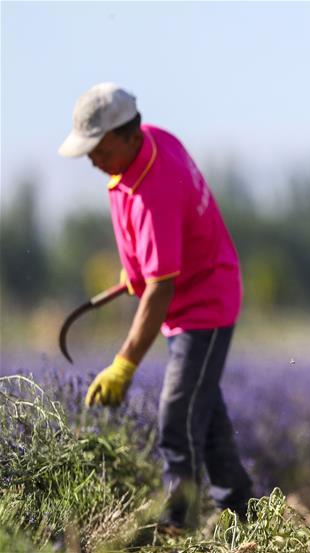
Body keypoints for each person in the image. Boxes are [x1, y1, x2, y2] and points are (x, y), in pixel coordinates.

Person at [59, 83, 253, 532]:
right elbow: (157, 245)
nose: (91, 159)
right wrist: (139, 266)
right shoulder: (148, 143)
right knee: (205, 420)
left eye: (97, 148)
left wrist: (124, 364)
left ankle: (176, 525)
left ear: (127, 135)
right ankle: (246, 514)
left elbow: (160, 290)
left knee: (178, 417)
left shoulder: (154, 190)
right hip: (185, 293)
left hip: (205, 302)